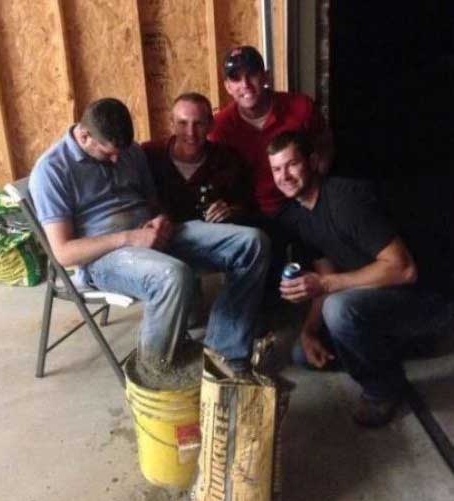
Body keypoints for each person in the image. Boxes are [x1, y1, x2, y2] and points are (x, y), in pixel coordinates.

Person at [29, 98, 271, 378]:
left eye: (120, 153)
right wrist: (130, 238)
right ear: (84, 136)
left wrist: (161, 220)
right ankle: (153, 373)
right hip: (105, 257)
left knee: (252, 243)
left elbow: (154, 203)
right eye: (108, 154)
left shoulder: (130, 151)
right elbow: (63, 253)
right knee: (172, 276)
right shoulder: (52, 170)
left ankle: (221, 353)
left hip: (149, 235)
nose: (117, 160)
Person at [267, 131, 447, 427]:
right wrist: (309, 331)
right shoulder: (300, 215)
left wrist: (326, 285)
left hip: (426, 299)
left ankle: (384, 388)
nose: (284, 176)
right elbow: (326, 276)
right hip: (376, 301)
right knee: (302, 353)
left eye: (292, 165)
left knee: (338, 309)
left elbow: (404, 269)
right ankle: (401, 347)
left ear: (312, 161)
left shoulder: (345, 199)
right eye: (276, 169)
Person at [209, 45, 332, 218]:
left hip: (303, 204)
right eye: (236, 78)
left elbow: (325, 145)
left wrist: (315, 193)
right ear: (228, 87)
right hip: (251, 213)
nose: (245, 84)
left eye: (252, 74)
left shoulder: (301, 106)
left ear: (266, 76)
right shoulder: (219, 127)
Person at [142, 92, 253, 224]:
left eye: (198, 124)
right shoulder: (149, 154)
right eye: (182, 123)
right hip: (162, 233)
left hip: (212, 233)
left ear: (211, 125)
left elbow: (246, 206)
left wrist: (229, 211)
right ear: (172, 124)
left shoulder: (227, 159)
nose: (191, 132)